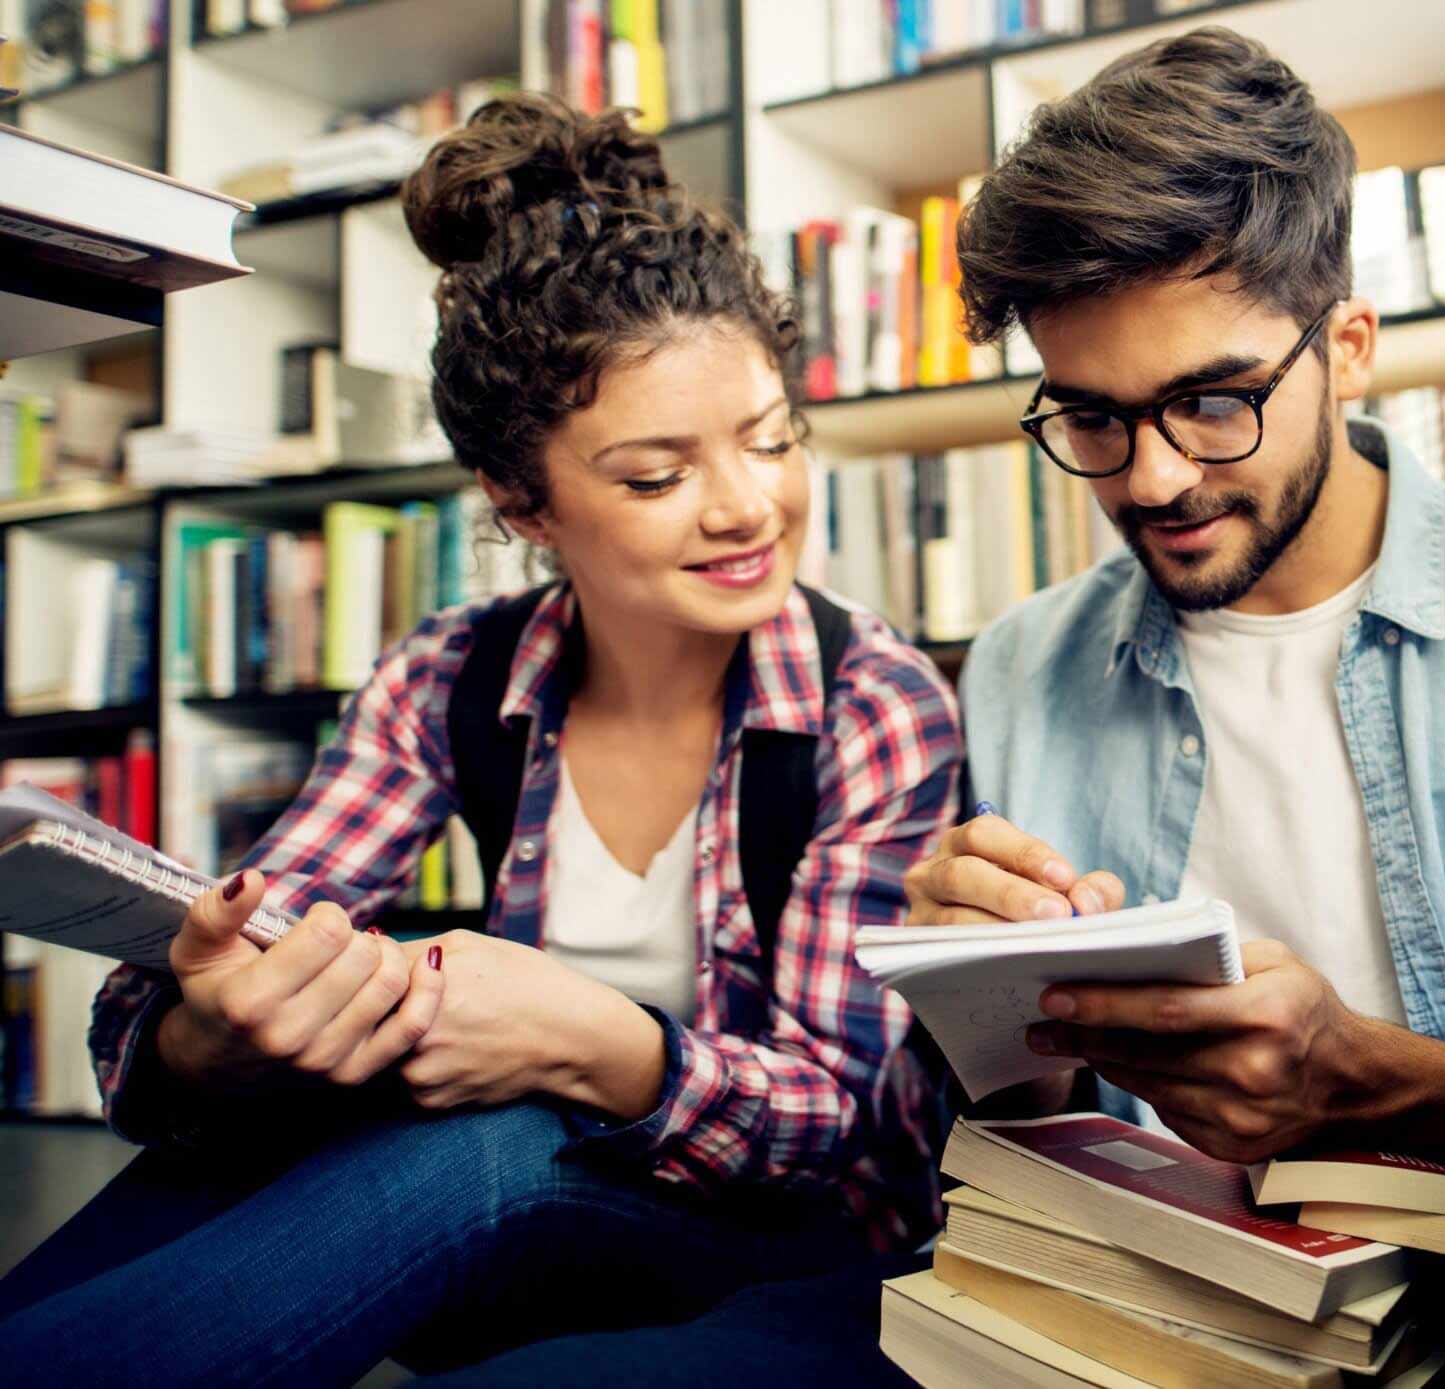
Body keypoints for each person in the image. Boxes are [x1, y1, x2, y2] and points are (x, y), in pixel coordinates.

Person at [0, 95, 959, 1386]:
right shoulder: (447, 673)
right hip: (522, 1220)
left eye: (772, 440)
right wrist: (211, 1037)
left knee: (493, 1135)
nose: (747, 507)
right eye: (657, 475)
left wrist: (590, 1040)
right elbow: (217, 957)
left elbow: (841, 1134)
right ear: (521, 502)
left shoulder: (873, 701)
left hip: (786, 1242)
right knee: (278, 1122)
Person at [907, 26, 1445, 1183]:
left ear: (1347, 350)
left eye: (1213, 402)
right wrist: (992, 1026)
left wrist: (1394, 1089)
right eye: (1090, 418)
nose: (1154, 479)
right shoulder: (1017, 672)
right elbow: (1026, 1133)